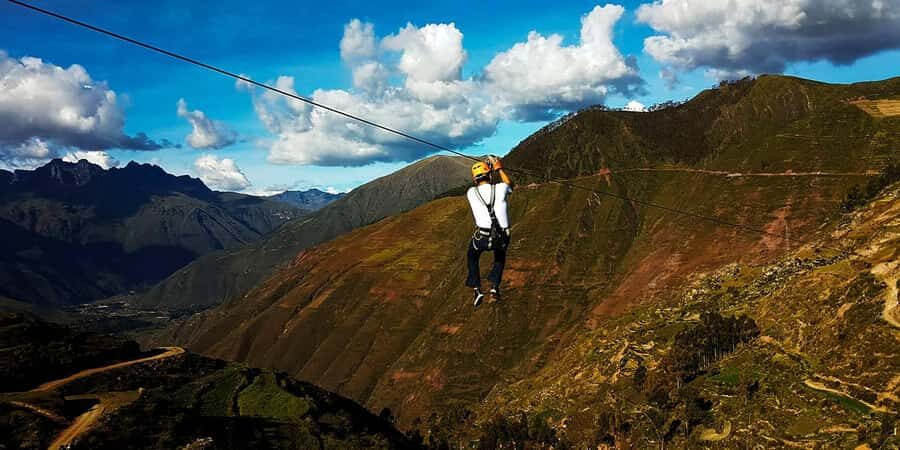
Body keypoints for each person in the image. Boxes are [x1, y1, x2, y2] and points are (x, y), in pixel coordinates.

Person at [465, 155, 513, 307]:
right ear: (490, 175)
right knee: (500, 256)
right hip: (501, 237)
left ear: (475, 179)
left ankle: (477, 288)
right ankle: (494, 288)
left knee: (472, 255)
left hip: (482, 237)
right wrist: (499, 168)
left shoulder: (471, 193)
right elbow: (509, 184)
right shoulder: (501, 188)